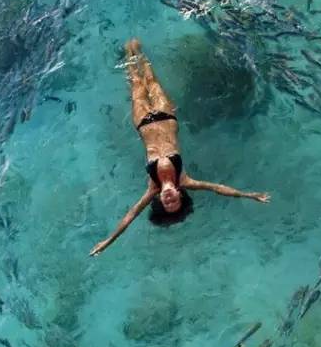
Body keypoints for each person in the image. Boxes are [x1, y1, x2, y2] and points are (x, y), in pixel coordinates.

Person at [89, 39, 269, 256]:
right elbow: (218, 188)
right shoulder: (184, 180)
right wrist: (249, 195)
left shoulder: (152, 188)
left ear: (160, 200)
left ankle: (129, 53)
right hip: (167, 116)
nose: (169, 199)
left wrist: (108, 241)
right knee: (151, 80)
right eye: (174, 200)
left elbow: (130, 216)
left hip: (143, 122)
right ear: (179, 194)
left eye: (167, 203)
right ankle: (139, 51)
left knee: (136, 83)